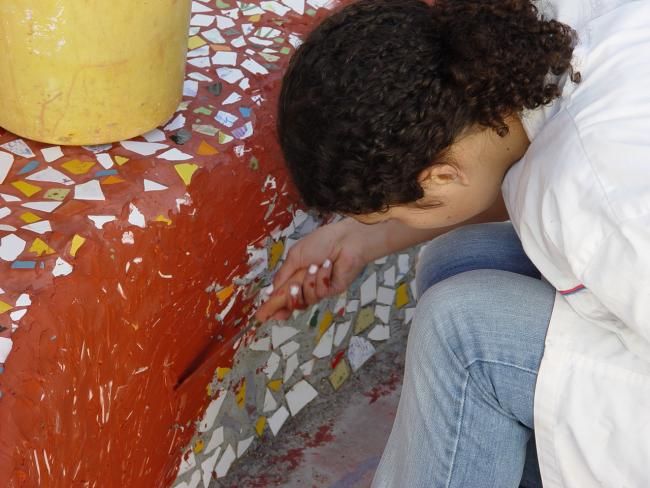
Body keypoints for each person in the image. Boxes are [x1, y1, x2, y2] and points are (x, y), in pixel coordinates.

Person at [256, 0, 650, 486]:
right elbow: (497, 181)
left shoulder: (596, 196)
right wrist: (361, 239)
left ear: (441, 175)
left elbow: (580, 200)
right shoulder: (542, 46)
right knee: (458, 262)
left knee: (462, 334)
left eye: (396, 212)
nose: (394, 224)